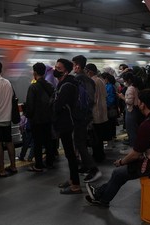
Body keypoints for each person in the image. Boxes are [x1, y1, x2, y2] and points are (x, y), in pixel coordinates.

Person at [85, 89, 150, 207]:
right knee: (121, 173)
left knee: (118, 173)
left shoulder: (147, 125)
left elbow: (135, 154)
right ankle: (99, 193)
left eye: (139, 101)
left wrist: (121, 161)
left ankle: (102, 199)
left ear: (143, 104)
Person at [52, 58, 82, 194]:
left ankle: (76, 185)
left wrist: (54, 104)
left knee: (70, 154)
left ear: (66, 71)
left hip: (68, 123)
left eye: (59, 68)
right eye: (55, 67)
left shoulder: (67, 85)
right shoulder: (65, 83)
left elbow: (58, 105)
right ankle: (72, 179)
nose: (55, 70)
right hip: (66, 122)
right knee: (69, 154)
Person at [72, 56, 102, 182]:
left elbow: (87, 99)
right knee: (81, 142)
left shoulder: (79, 79)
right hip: (85, 116)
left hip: (81, 116)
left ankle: (94, 169)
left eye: (74, 65)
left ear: (78, 66)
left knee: (79, 142)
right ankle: (85, 166)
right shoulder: (88, 79)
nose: (73, 67)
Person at [25, 62, 55, 171]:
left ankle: (38, 165)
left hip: (36, 120)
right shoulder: (50, 86)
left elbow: (30, 105)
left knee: (37, 143)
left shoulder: (33, 87)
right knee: (48, 142)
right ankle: (50, 163)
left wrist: (27, 117)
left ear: (35, 72)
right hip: (48, 119)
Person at [84, 63, 108, 172]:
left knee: (95, 137)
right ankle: (101, 155)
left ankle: (97, 157)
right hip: (103, 112)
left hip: (96, 113)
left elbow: (91, 98)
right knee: (100, 136)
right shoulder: (101, 81)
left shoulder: (92, 81)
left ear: (89, 71)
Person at [117, 72, 142, 154]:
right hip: (133, 110)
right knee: (133, 129)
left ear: (129, 80)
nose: (124, 82)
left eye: (125, 80)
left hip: (131, 110)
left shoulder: (131, 88)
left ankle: (132, 149)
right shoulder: (134, 87)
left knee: (131, 129)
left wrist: (122, 97)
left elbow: (129, 101)